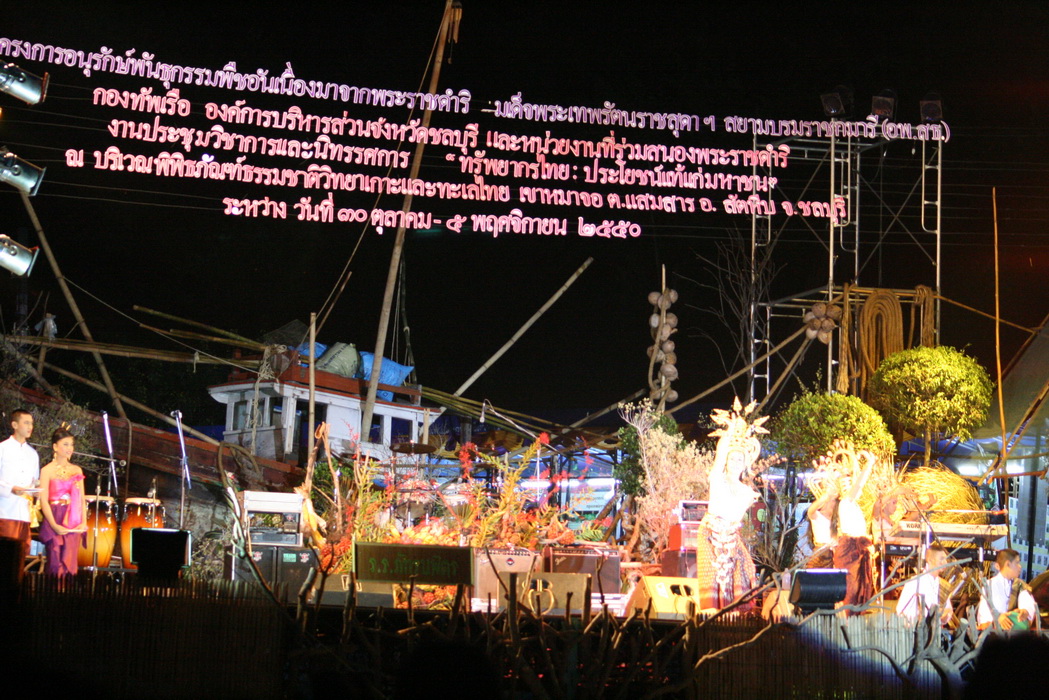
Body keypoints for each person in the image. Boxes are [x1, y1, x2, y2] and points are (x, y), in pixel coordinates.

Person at [695, 398, 766, 611]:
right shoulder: (717, 478)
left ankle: (734, 616)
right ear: (726, 460)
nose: (735, 463)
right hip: (711, 534)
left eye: (739, 460)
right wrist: (732, 429)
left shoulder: (748, 493)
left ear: (746, 464)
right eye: (732, 459)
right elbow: (719, 456)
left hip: (731, 538)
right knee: (713, 578)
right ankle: (710, 618)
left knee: (743, 571)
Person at [827, 443, 875, 614]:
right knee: (851, 590)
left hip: (857, 549)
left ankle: (853, 619)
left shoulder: (852, 505)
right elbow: (859, 485)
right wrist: (869, 465)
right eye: (847, 485)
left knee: (858, 589)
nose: (851, 487)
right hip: (850, 550)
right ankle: (847, 620)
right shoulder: (846, 502)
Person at [37, 428, 87, 576]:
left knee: (70, 562)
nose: (69, 448)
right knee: (55, 560)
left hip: (73, 518)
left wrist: (83, 522)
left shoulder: (77, 470)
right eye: (65, 444)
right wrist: (53, 525)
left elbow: (81, 499)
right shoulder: (46, 470)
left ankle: (67, 590)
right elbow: (43, 500)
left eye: (71, 444)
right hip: (55, 515)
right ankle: (53, 590)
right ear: (55, 447)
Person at [0, 408, 40, 580]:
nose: (30, 427)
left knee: (21, 555)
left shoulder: (33, 454)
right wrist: (11, 488)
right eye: (26, 423)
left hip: (24, 512)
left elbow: (34, 481)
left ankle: (16, 589)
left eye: (31, 423)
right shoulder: (3, 448)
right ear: (14, 425)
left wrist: (37, 488)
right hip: (5, 510)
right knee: (5, 557)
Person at [977, 548, 1039, 631]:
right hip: (995, 633)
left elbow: (1028, 602)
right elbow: (984, 612)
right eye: (1017, 563)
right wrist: (998, 618)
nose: (1020, 566)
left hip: (1015, 633)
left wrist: (1025, 611)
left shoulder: (1019, 584)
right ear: (1008, 564)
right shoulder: (989, 584)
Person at [895, 543, 953, 625]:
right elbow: (900, 611)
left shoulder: (942, 584)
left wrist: (945, 615)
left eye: (946, 559)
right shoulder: (915, 582)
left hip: (935, 630)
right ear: (930, 560)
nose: (945, 562)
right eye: (941, 559)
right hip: (915, 628)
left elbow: (948, 610)